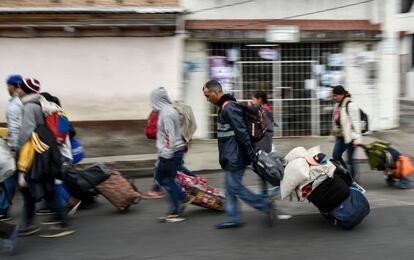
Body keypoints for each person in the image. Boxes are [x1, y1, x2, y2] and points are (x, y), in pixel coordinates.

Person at [202, 80, 275, 229]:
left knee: (234, 187)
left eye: (208, 96)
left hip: (236, 156)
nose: (207, 99)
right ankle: (234, 217)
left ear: (216, 92)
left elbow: (242, 133)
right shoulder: (224, 107)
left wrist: (251, 156)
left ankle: (264, 206)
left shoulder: (228, 108)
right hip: (231, 155)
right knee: (230, 187)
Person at [16, 78, 74, 237]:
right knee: (30, 189)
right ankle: (27, 224)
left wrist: (16, 147)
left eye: (19, 88)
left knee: (44, 189)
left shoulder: (29, 106)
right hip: (43, 151)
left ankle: (62, 225)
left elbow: (27, 131)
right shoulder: (41, 103)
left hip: (35, 153)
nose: (17, 90)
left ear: (24, 90)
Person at [150, 87, 192, 222]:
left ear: (157, 99)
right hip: (173, 151)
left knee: (165, 179)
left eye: (152, 99)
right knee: (165, 178)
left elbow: (170, 136)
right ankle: (181, 201)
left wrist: (166, 155)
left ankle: (178, 206)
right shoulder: (168, 110)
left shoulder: (166, 113)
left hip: (171, 152)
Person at [0, 75, 23, 222]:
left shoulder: (14, 105)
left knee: (9, 177)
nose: (7, 88)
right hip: (25, 145)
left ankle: (2, 209)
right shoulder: (22, 102)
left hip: (18, 147)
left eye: (8, 85)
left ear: (13, 86)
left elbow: (15, 128)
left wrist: (12, 149)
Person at [331, 85, 362, 179]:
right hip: (340, 136)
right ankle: (346, 174)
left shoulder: (350, 105)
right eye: (334, 95)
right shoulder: (337, 105)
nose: (334, 97)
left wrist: (357, 140)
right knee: (336, 155)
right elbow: (336, 121)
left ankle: (353, 178)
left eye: (336, 95)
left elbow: (356, 123)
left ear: (342, 95)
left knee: (350, 160)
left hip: (350, 137)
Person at [251, 91, 274, 198]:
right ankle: (265, 191)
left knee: (259, 166)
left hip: (262, 143)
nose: (252, 101)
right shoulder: (263, 109)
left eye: (253, 99)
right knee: (259, 166)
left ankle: (274, 185)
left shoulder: (264, 111)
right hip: (261, 142)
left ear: (259, 99)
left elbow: (267, 129)